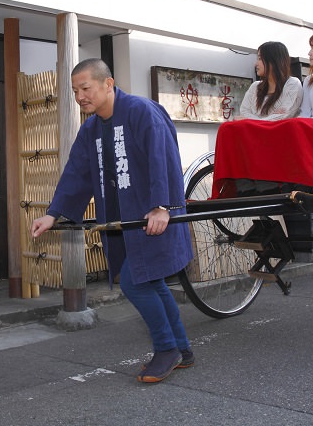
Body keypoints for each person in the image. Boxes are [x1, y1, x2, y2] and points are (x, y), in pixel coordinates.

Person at [31, 58, 194, 384]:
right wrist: (54, 213)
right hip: (123, 219)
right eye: (76, 91)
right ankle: (183, 349)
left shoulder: (140, 111)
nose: (80, 96)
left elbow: (163, 160)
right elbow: (78, 171)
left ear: (108, 84)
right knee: (151, 281)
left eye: (85, 88)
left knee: (136, 283)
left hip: (152, 215)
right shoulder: (91, 128)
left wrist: (162, 206)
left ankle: (166, 349)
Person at [237, 41, 302, 121]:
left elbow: (283, 116)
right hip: (254, 132)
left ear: (274, 61)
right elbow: (244, 111)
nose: (256, 64)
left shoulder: (292, 84)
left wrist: (251, 120)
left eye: (260, 59)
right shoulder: (255, 86)